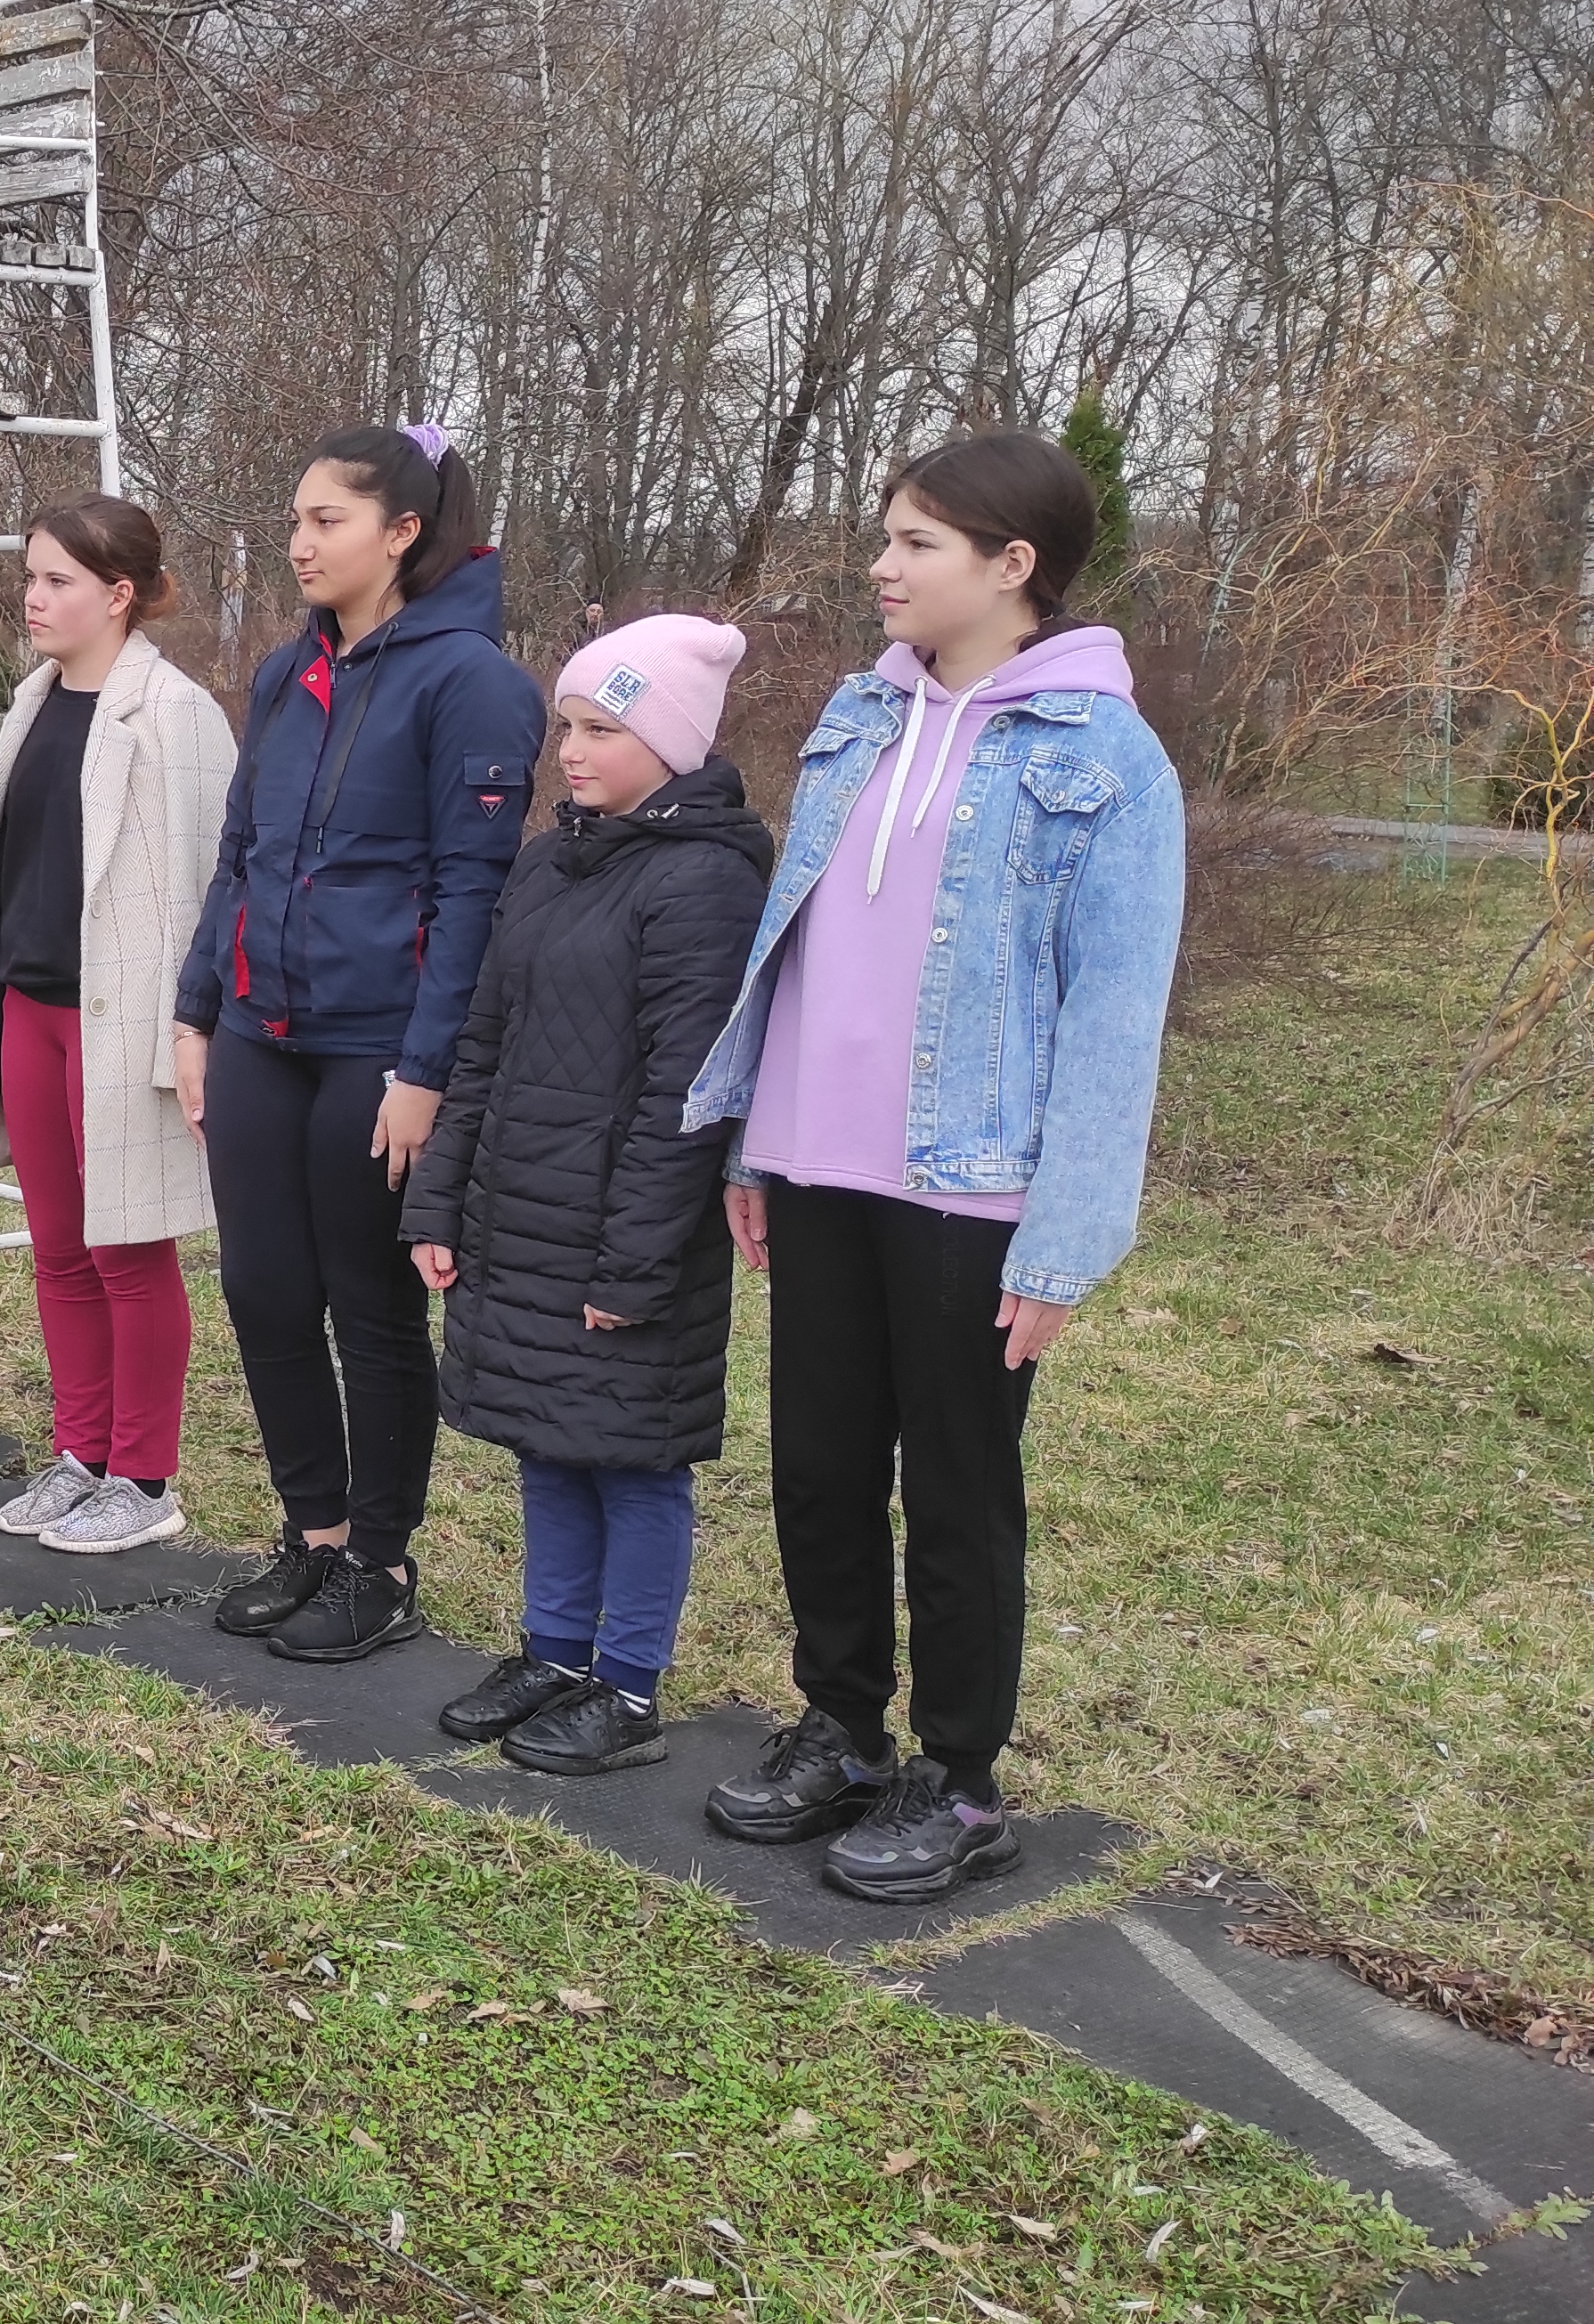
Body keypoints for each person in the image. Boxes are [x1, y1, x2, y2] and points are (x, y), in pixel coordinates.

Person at [685, 432, 1183, 1904]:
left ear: (1010, 567)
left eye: (916, 544)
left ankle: (960, 1785)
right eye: (885, 539)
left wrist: (1066, 1240)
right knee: (821, 1471)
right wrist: (756, 1136)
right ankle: (841, 1725)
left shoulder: (1106, 759)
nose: (882, 567)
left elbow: (1115, 1013)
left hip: (974, 1186)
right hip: (820, 1169)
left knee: (956, 1489)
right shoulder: (861, 716)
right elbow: (805, 943)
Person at [175, 424, 542, 1658]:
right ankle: (314, 1535)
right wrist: (196, 1009)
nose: (298, 543)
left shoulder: (470, 680)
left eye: (325, 519)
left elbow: (469, 894)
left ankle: (381, 1564)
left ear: (402, 532)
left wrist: (423, 1070)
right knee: (263, 1288)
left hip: (374, 1048)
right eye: (294, 520)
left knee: (366, 1305)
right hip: (258, 1032)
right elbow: (241, 857)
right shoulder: (288, 674)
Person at [400, 616, 772, 1776]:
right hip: (521, 1217)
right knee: (546, 1443)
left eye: (604, 726)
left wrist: (635, 1266)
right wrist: (438, 1201)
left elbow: (687, 1093)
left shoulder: (704, 882)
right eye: (568, 722)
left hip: (620, 1234)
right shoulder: (550, 860)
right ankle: (555, 1654)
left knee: (633, 1459)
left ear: (671, 739)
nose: (573, 747)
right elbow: (485, 1040)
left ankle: (628, 1683)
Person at [0, 496, 239, 1555]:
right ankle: (81, 1454)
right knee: (57, 1247)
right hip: (31, 1010)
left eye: (55, 580)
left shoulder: (175, 714)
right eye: (29, 578)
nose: (33, 598)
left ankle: (143, 1478)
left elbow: (205, 891)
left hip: (123, 1027)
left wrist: (185, 1036)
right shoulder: (34, 701)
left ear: (119, 593)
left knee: (129, 1250)